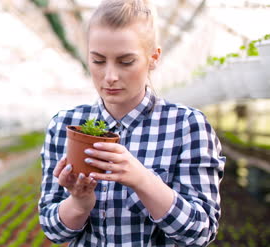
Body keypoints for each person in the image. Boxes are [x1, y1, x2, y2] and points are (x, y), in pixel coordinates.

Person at [38, 0, 226, 246]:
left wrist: (142, 179)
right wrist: (79, 202)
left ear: (153, 58)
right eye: (98, 60)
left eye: (126, 61)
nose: (110, 76)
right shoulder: (66, 125)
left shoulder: (186, 126)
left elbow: (200, 232)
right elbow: (53, 231)